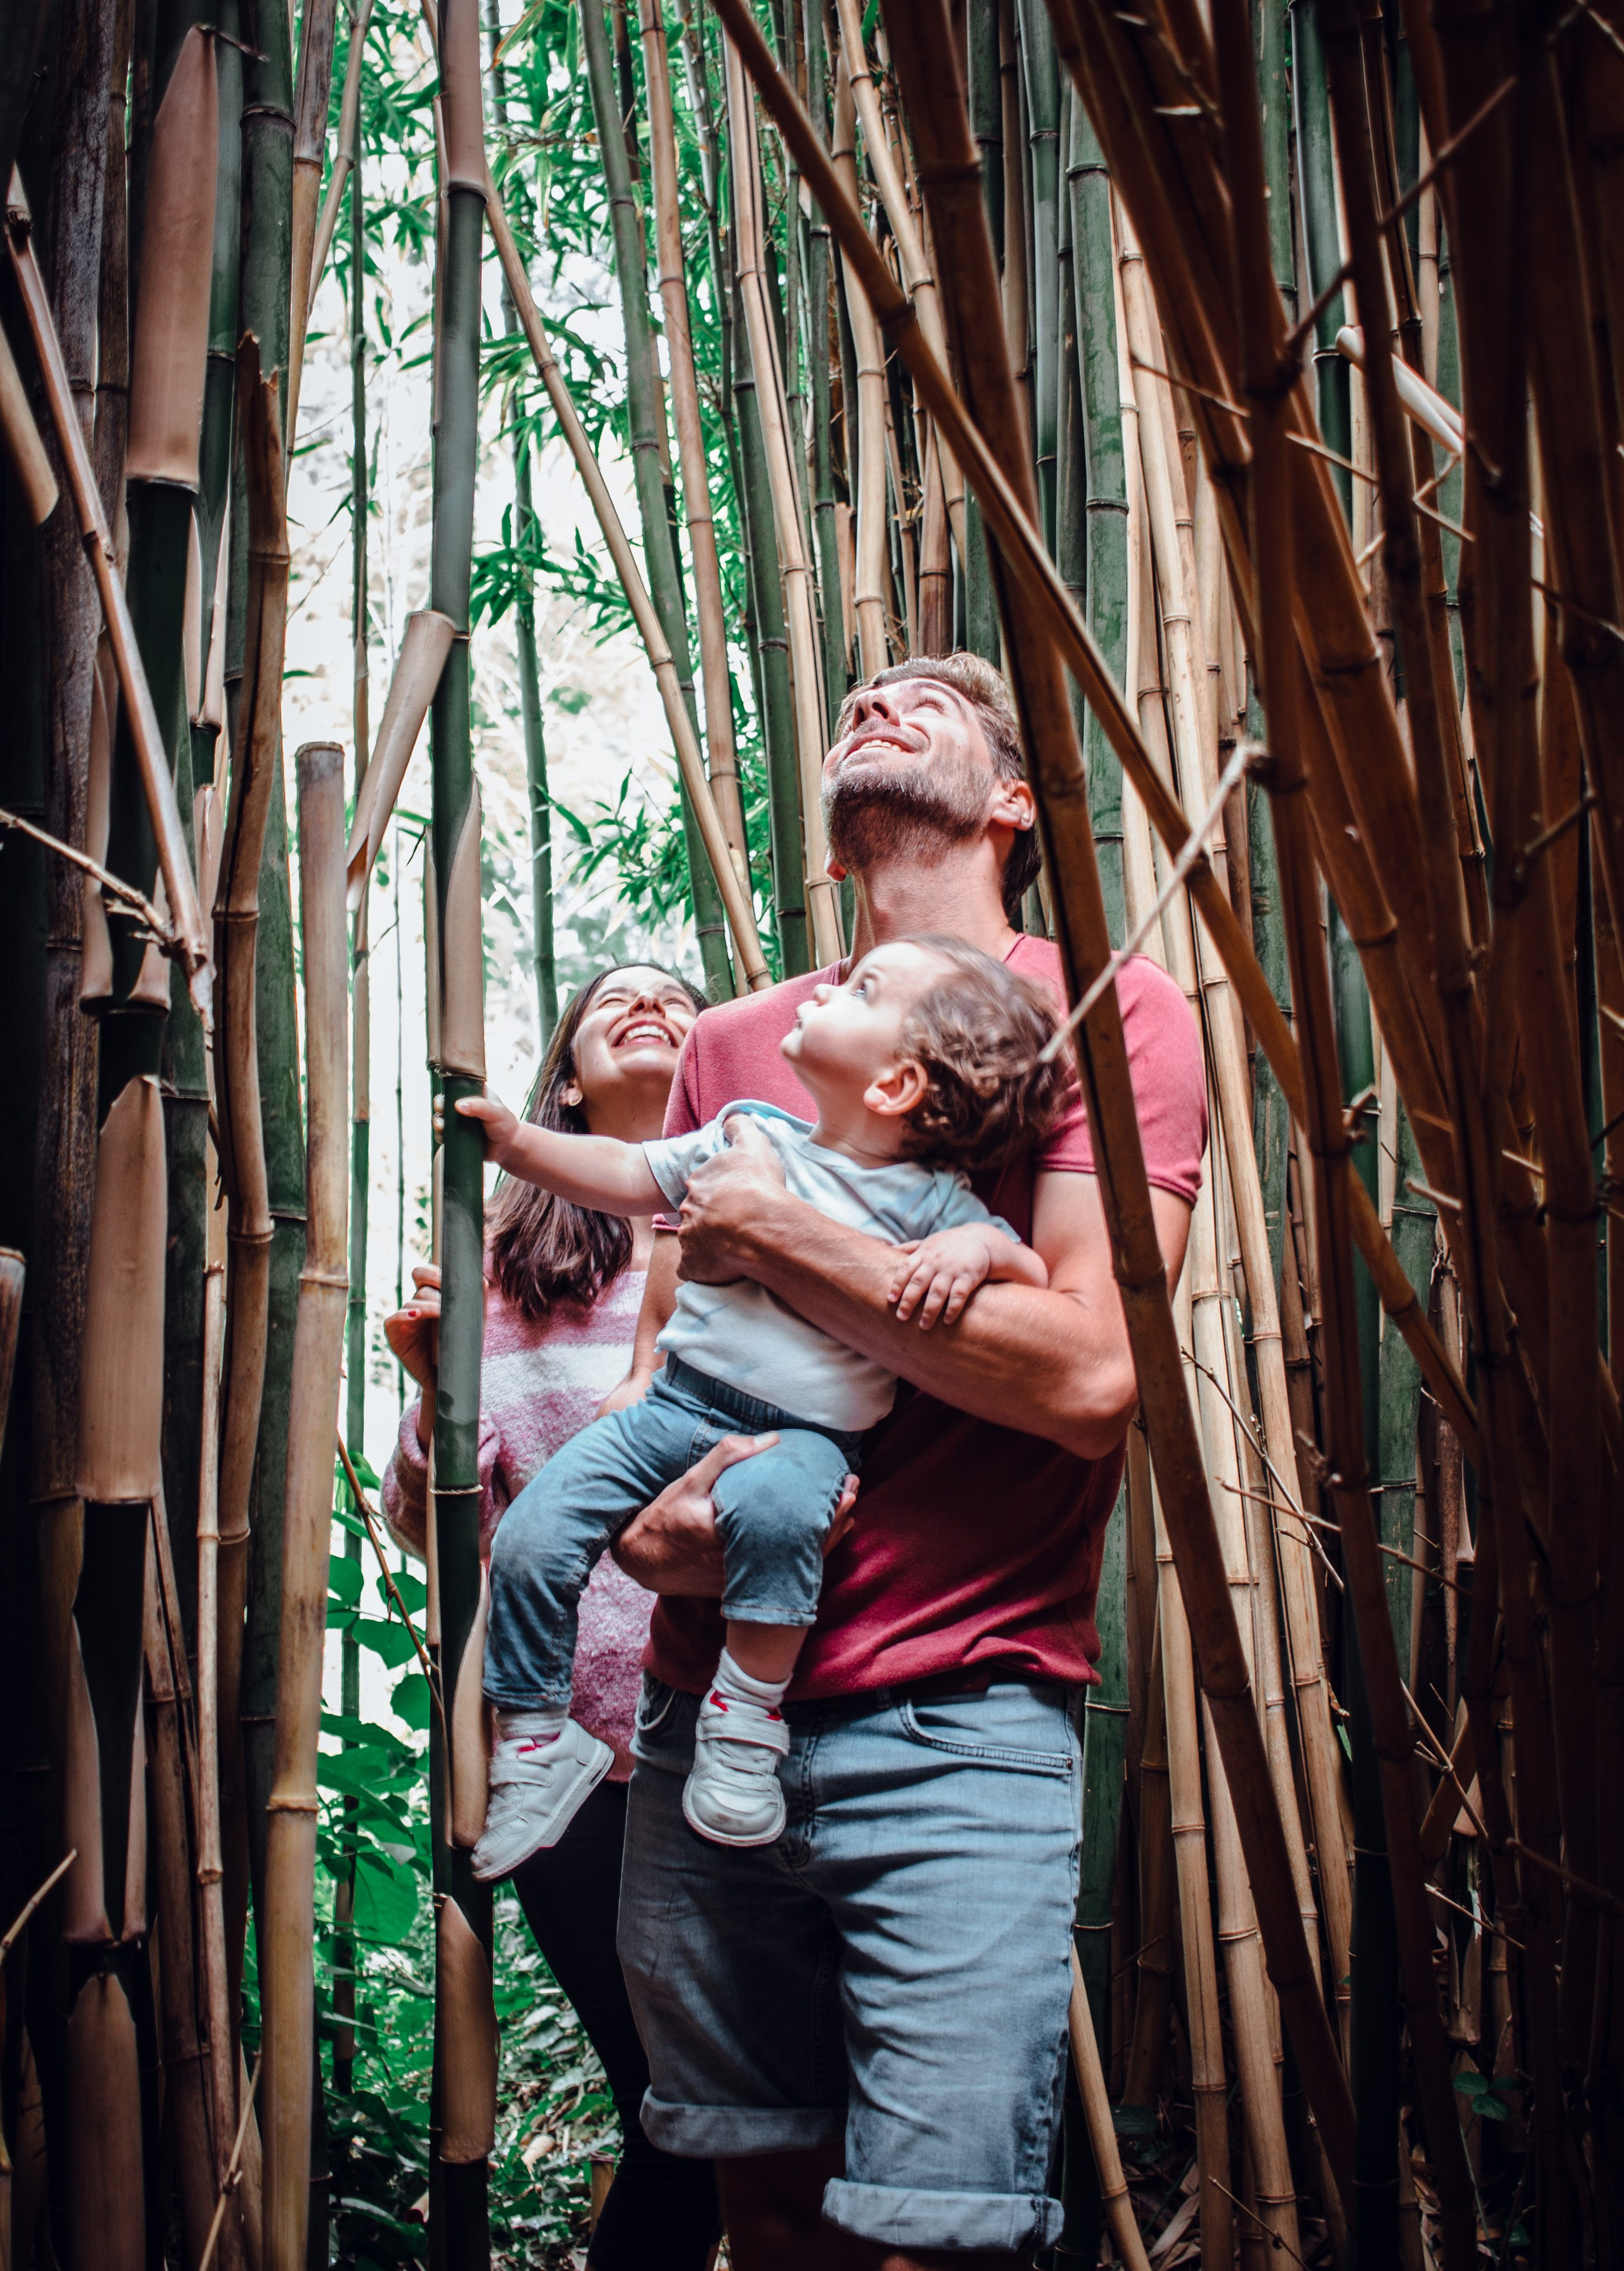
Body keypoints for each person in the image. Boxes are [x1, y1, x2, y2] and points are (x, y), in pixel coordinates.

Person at [608, 655, 1208, 2271]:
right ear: (826, 846)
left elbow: (1086, 1378)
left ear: (1016, 801)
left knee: (938, 2239)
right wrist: (652, 1522)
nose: (875, 700)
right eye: (856, 698)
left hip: (958, 1713)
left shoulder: (1101, 1009)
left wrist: (772, 1227)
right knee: (767, 2219)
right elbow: (669, 1381)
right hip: (704, 1714)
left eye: (928, 701)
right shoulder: (741, 1042)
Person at [456, 936, 1067, 1864]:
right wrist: (516, 1144)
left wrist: (977, 1252)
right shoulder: (749, 1133)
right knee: (537, 1534)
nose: (818, 994)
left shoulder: (933, 1206)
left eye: (858, 991)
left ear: (895, 1087)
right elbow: (630, 1173)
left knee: (778, 1524)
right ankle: (540, 1738)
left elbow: (1025, 1263)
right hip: (673, 1407)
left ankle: (744, 1726)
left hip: (807, 1440)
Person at [381, 963, 722, 2271]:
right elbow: (438, 1531)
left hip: (753, 1728)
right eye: (613, 998)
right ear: (565, 1079)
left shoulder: (768, 1230)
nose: (648, 1003)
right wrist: (432, 1399)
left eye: (676, 997)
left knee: (748, 2105)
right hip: (575, 1752)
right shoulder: (507, 1267)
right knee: (676, 2104)